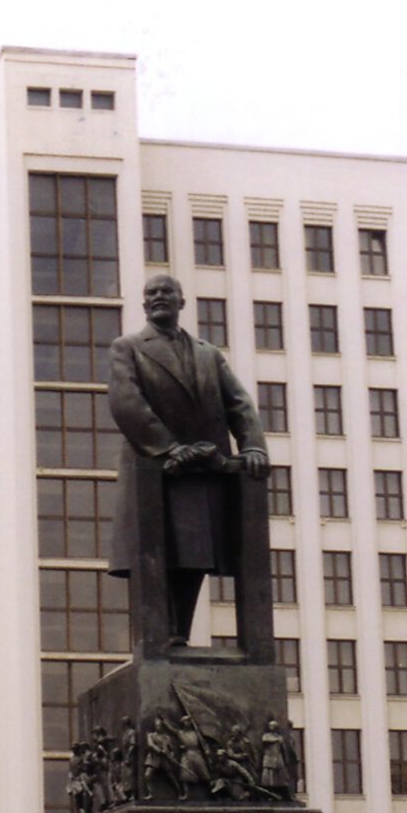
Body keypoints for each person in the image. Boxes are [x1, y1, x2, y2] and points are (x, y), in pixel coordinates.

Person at [108, 274, 269, 644]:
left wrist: (254, 446)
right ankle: (156, 634)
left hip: (201, 471)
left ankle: (178, 631)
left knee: (194, 552)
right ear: (144, 303)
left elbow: (240, 404)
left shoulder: (207, 354)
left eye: (167, 292)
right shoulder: (128, 347)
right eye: (152, 292)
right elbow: (126, 403)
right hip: (154, 466)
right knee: (153, 554)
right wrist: (168, 447)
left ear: (182, 301)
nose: (159, 297)